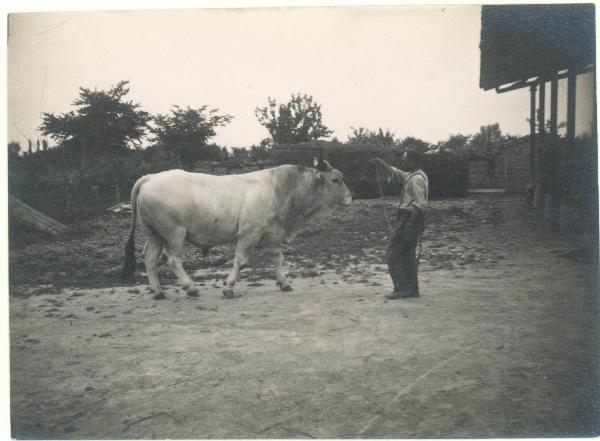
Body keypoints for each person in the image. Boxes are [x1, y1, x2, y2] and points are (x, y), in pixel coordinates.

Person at [369, 149, 429, 299]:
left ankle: (402, 288)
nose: (403, 162)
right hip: (409, 218)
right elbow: (397, 172)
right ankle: (412, 290)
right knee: (407, 254)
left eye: (405, 159)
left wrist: (408, 226)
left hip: (410, 218)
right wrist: (382, 163)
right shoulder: (413, 176)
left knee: (393, 254)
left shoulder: (416, 179)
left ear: (414, 161)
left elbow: (420, 205)